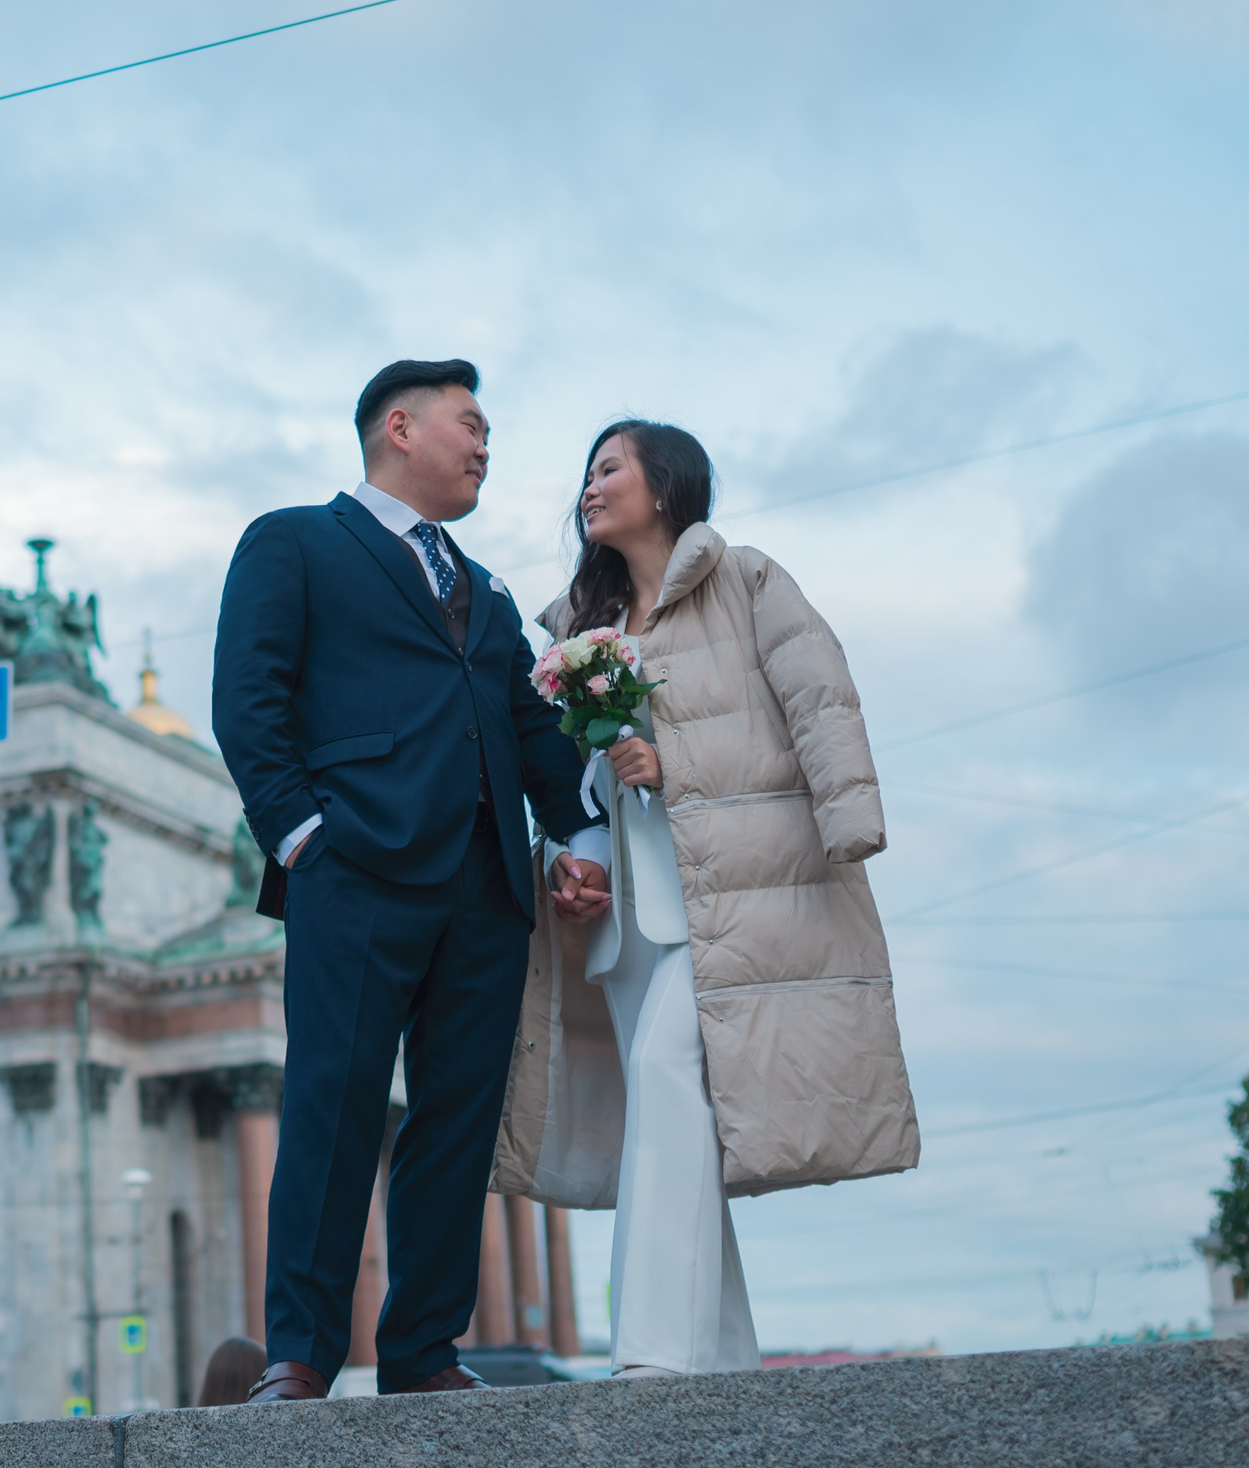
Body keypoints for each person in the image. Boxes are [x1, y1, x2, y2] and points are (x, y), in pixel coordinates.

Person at [211, 358, 610, 1401]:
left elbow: (533, 736)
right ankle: (302, 1354)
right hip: (354, 874)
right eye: (470, 425)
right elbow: (247, 700)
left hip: (486, 890)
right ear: (400, 426)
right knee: (333, 1104)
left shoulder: (490, 592)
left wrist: (585, 836)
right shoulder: (293, 540)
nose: (484, 446)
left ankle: (422, 1350)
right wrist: (302, 837)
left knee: (455, 1122)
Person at [490, 420, 921, 1378]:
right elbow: (577, 783)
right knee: (669, 1112)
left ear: (666, 484)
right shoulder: (578, 628)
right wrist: (575, 859)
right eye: (587, 473)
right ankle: (721, 1358)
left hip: (737, 892)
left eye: (609, 468)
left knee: (664, 1074)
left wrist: (839, 817)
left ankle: (651, 1353)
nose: (589, 486)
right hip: (632, 917)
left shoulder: (749, 581)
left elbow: (820, 704)